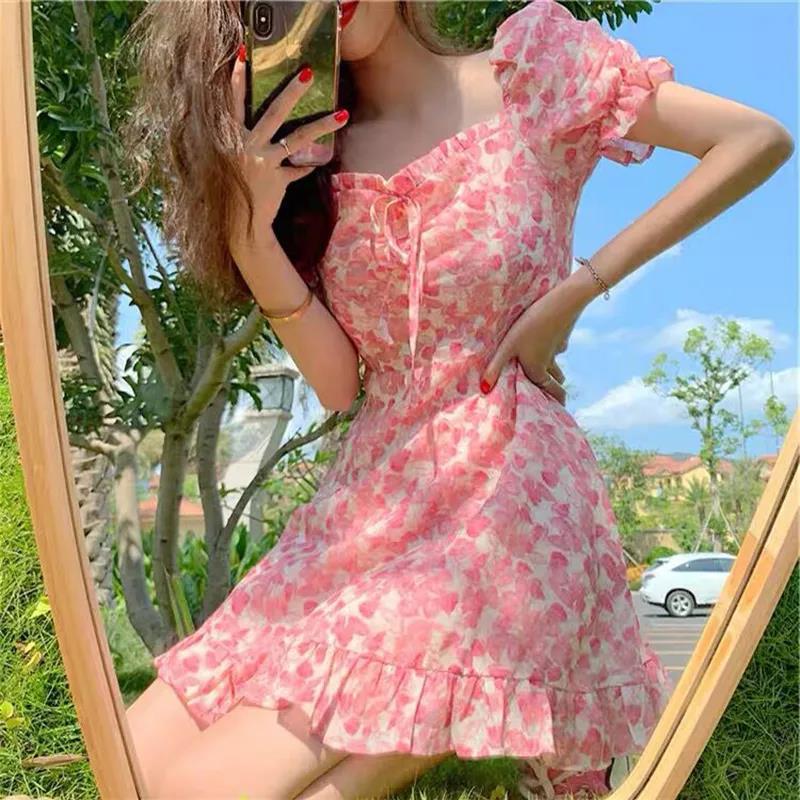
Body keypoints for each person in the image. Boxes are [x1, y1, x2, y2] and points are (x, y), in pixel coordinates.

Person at [122, 1, 794, 798]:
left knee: (202, 790)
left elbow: (754, 139)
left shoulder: (534, 70)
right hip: (365, 513)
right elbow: (340, 387)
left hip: (507, 505)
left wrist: (575, 292)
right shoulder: (309, 159)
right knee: (129, 765)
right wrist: (249, 230)